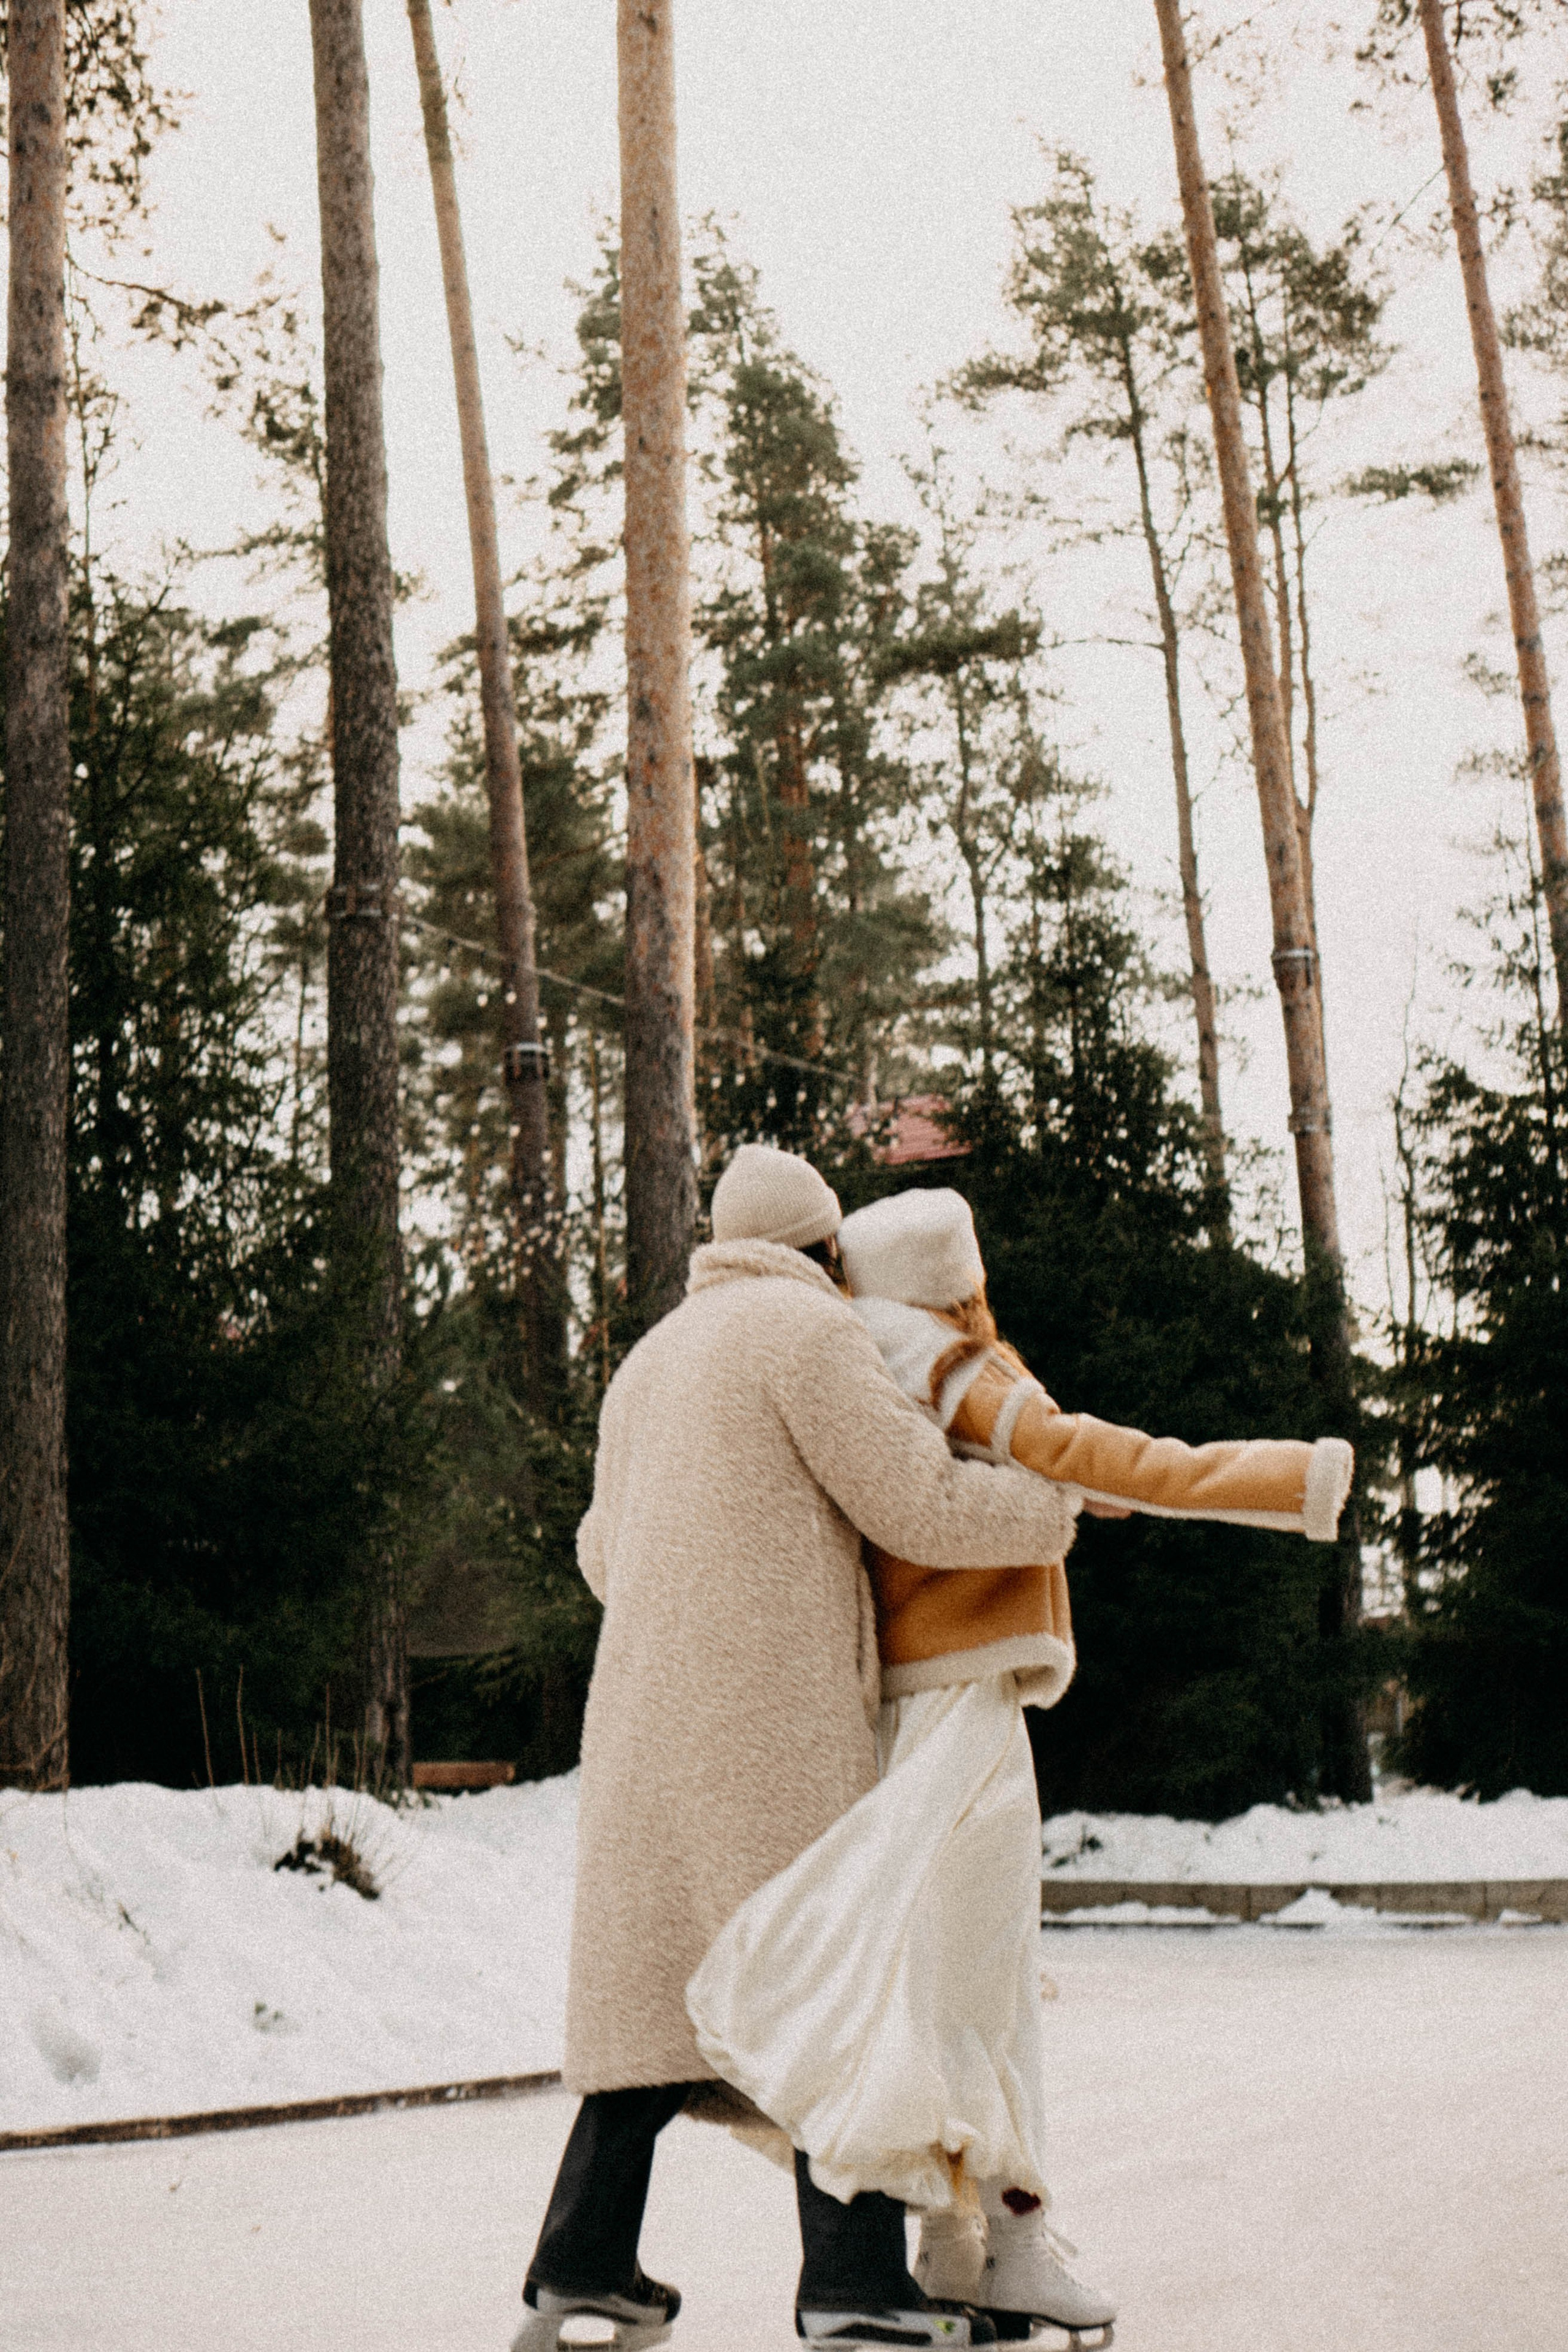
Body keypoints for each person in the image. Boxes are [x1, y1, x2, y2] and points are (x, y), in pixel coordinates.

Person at [689, 1186, 1354, 2350]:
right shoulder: (951, 1360)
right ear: (960, 1279)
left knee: (940, 1974)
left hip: (906, 1701)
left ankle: (960, 2248)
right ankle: (1014, 2244)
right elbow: (1102, 1454)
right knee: (986, 1988)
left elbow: (1043, 1479)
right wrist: (1290, 1483)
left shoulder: (870, 1363)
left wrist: (1067, 1490)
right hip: (968, 1707)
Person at [514, 1149, 1080, 2352]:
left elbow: (599, 1555)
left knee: (650, 2011)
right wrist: (1049, 1506)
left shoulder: (649, 1362)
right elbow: (910, 1498)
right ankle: (855, 2285)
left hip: (636, 1724)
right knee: (831, 1986)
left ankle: (579, 2266)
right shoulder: (808, 1335)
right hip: (765, 1722)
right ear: (826, 1249)